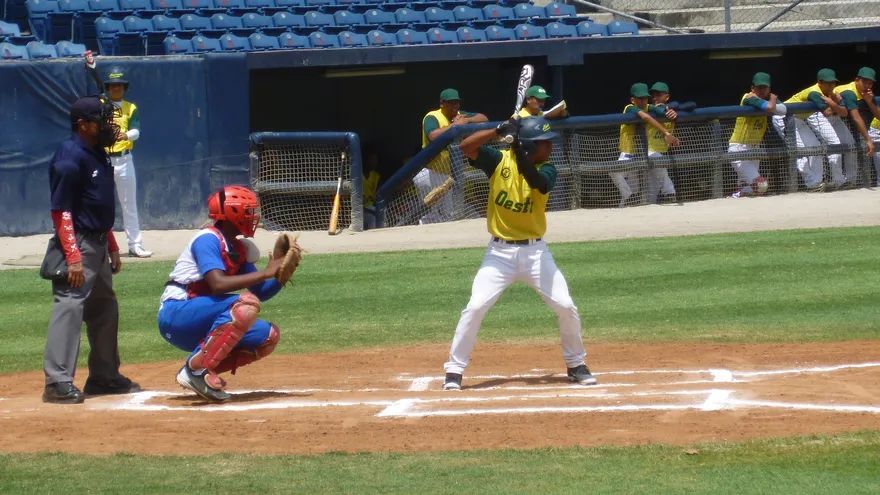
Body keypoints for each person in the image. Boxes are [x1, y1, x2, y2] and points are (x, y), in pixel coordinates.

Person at [442, 116, 596, 391]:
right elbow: (465, 146)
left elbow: (536, 181)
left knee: (565, 306)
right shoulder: (498, 161)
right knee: (475, 307)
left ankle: (576, 364)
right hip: (499, 254)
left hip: (536, 253)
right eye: (543, 143)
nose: (549, 147)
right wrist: (498, 130)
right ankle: (454, 370)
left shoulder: (548, 169)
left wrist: (515, 149)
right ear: (528, 145)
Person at [43, 96, 141, 404]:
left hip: (98, 242)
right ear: (83, 125)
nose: (107, 126)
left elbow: (96, 205)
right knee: (70, 306)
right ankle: (57, 382)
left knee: (104, 308)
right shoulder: (69, 157)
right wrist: (72, 257)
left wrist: (111, 244)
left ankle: (104, 376)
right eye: (100, 121)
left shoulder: (97, 153)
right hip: (79, 243)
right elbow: (62, 211)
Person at [158, 186, 290, 402]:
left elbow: (262, 292)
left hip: (202, 320)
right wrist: (266, 272)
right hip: (176, 314)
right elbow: (218, 284)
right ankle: (195, 371)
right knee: (244, 304)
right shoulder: (208, 239)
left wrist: (280, 276)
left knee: (267, 336)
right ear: (232, 213)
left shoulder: (237, 248)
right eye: (247, 212)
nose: (252, 217)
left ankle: (200, 368)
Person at [414, 88, 488, 224]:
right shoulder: (432, 116)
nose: (455, 106)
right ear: (442, 103)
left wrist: (467, 120)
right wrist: (455, 126)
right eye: (451, 103)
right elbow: (433, 135)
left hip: (447, 176)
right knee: (430, 215)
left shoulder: (460, 115)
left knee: (447, 215)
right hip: (429, 174)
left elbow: (484, 118)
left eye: (457, 103)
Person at [772, 68, 849, 192]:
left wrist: (833, 101)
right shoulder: (814, 92)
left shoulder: (831, 92)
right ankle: (811, 184)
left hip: (799, 119)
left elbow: (844, 112)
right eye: (828, 83)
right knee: (800, 151)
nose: (831, 86)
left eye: (833, 83)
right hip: (783, 118)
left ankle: (818, 182)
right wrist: (834, 102)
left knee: (816, 147)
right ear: (819, 82)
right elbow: (828, 112)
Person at [104, 66, 151, 258]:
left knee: (129, 205)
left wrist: (125, 134)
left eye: (120, 85)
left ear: (124, 88)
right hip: (103, 159)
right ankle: (102, 247)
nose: (116, 89)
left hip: (124, 159)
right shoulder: (101, 104)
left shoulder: (130, 107)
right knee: (101, 205)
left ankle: (135, 245)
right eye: (113, 85)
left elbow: (137, 131)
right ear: (108, 87)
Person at [614, 83, 680, 208]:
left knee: (640, 191)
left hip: (639, 155)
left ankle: (667, 194)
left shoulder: (650, 107)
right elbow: (645, 116)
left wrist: (668, 108)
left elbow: (660, 109)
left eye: (645, 97)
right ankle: (630, 198)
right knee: (614, 172)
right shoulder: (629, 107)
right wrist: (666, 133)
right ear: (633, 100)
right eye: (640, 98)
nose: (643, 101)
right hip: (627, 155)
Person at [727, 72, 785, 198]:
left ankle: (736, 198)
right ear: (752, 88)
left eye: (765, 87)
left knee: (746, 184)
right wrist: (773, 99)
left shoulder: (765, 98)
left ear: (769, 89)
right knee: (760, 185)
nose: (762, 90)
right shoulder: (749, 98)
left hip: (754, 147)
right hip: (739, 148)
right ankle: (736, 196)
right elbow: (770, 107)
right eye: (759, 87)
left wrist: (770, 99)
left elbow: (783, 110)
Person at [833, 66, 878, 188]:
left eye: (870, 83)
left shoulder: (867, 93)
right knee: (835, 148)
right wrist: (868, 140)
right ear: (857, 79)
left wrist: (869, 101)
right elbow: (856, 117)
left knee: (852, 147)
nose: (867, 86)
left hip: (842, 121)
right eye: (865, 82)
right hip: (827, 117)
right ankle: (838, 182)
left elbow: (878, 116)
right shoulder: (849, 92)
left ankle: (850, 182)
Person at [647, 82, 680, 204]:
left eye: (658, 95)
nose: (655, 98)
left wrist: (673, 109)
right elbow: (650, 108)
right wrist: (661, 109)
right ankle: (669, 192)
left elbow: (691, 105)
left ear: (667, 97)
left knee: (652, 190)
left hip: (661, 154)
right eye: (653, 95)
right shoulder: (649, 109)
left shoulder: (671, 110)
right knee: (658, 163)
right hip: (647, 152)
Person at [362, 147, 381, 230]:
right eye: (371, 159)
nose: (374, 162)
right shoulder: (356, 174)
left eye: (375, 160)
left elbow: (378, 195)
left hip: (371, 208)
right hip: (358, 208)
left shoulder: (376, 176)